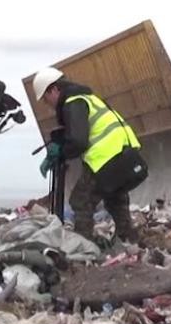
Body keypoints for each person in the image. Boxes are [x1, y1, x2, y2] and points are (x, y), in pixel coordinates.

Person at [32, 67, 142, 246]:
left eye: (46, 98)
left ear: (54, 89)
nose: (48, 104)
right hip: (125, 155)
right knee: (115, 199)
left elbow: (78, 141)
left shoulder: (73, 102)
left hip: (106, 158)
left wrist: (61, 152)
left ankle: (83, 247)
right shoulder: (88, 98)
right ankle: (129, 240)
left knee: (80, 201)